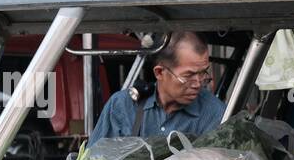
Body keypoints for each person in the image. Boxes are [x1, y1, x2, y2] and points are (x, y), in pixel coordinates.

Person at [87, 31, 226, 145]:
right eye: (188, 75)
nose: (197, 84)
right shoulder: (121, 107)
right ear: (159, 72)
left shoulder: (215, 115)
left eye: (203, 73)